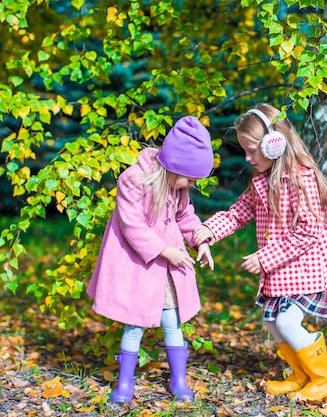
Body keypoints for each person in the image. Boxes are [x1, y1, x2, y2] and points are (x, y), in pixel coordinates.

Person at [193, 103, 327, 403]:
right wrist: (211, 229)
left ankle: (322, 380)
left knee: (286, 321)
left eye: (251, 150)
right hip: (291, 266)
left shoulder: (302, 179)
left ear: (275, 145)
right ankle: (300, 374)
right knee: (272, 321)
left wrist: (264, 258)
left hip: (318, 264)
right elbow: (239, 211)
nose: (247, 157)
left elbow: (308, 232)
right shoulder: (263, 179)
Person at [87, 115, 215, 404]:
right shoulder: (134, 180)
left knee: (173, 321)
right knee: (135, 324)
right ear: (175, 165)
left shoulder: (177, 188)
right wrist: (163, 250)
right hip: (140, 266)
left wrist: (201, 240)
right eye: (191, 177)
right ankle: (124, 384)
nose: (192, 184)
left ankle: (178, 381)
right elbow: (131, 225)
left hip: (166, 270)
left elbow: (185, 217)